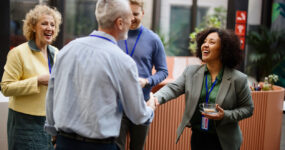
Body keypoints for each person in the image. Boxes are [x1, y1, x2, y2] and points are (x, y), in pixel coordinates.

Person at [44, 0, 156, 150]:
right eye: (130, 17)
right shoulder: (123, 62)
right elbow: (138, 115)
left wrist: (53, 132)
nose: (132, 21)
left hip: (64, 143)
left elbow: (51, 94)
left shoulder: (67, 50)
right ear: (120, 23)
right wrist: (150, 107)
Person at [154, 28, 254, 150]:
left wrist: (225, 115)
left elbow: (248, 109)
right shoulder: (191, 72)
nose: (205, 45)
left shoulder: (238, 79)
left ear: (224, 49)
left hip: (225, 142)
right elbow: (172, 88)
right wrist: (155, 98)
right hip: (198, 138)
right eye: (204, 41)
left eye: (212, 42)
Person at [1, 5, 62, 150]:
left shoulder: (56, 53)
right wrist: (37, 81)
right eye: (44, 23)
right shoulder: (18, 53)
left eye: (53, 24)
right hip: (24, 124)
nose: (49, 28)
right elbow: (6, 87)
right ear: (33, 27)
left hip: (50, 123)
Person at [115, 0, 168, 149]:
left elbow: (163, 71)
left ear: (143, 14)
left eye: (136, 14)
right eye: (128, 14)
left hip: (142, 103)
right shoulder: (115, 36)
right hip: (117, 103)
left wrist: (147, 81)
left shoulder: (153, 39)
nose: (132, 18)